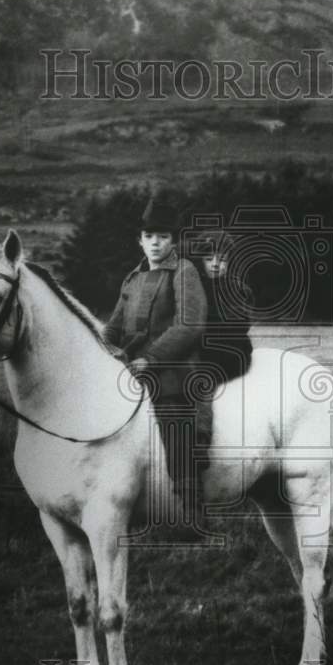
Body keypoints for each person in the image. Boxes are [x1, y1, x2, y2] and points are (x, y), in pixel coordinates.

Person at [103, 193, 210, 527]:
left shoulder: (184, 271)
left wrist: (151, 359)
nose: (155, 243)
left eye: (162, 237)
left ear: (172, 240)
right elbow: (114, 328)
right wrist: (105, 349)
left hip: (173, 372)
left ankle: (193, 509)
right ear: (140, 240)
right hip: (131, 370)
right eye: (149, 236)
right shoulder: (132, 279)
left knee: (175, 422)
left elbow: (190, 324)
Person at [187, 229, 255, 388]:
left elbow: (241, 327)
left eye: (222, 259)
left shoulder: (239, 289)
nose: (216, 264)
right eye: (209, 259)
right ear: (199, 261)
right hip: (201, 352)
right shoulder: (192, 288)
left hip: (230, 355)